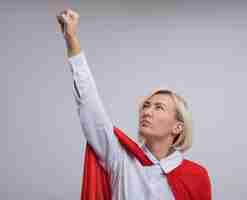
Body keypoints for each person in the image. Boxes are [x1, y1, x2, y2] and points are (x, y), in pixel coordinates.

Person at [56, 9, 212, 200]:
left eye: (158, 107)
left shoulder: (197, 176)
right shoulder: (120, 159)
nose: (147, 111)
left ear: (177, 126)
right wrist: (71, 40)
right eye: (146, 106)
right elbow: (90, 107)